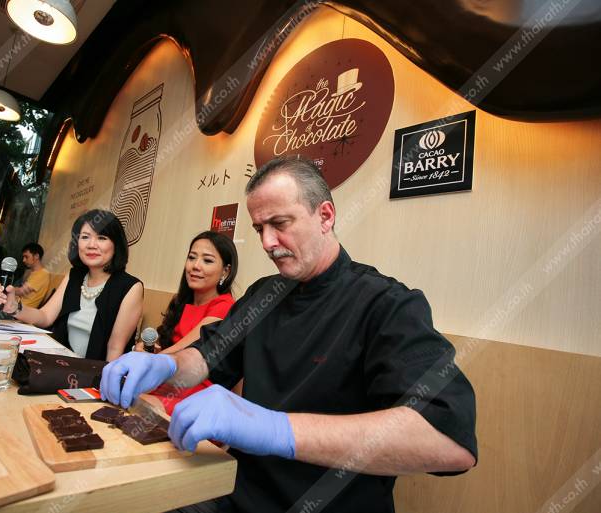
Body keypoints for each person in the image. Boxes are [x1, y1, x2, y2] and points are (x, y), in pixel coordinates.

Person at [100, 156, 477, 512]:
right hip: (236, 494)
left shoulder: (386, 304)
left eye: (280, 224)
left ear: (325, 216)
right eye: (259, 229)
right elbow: (207, 356)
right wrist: (164, 366)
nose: (267, 242)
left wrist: (274, 428)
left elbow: (448, 441)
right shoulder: (263, 294)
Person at [0, 209, 143, 361]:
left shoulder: (131, 287)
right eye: (85, 237)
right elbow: (45, 316)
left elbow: (115, 349)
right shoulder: (74, 276)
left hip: (96, 372)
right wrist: (14, 307)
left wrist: (101, 379)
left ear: (116, 245)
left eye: (102, 238)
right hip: (62, 366)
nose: (91, 245)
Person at [136, 231, 237, 415]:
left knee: (136, 401)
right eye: (192, 257)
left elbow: (184, 350)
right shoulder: (181, 301)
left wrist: (146, 361)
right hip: (169, 379)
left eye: (207, 260)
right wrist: (150, 350)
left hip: (197, 390)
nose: (195, 266)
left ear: (226, 271)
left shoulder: (225, 306)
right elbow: (171, 349)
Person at [5, 242, 51, 308]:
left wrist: (4, 289)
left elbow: (21, 291)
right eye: (23, 257)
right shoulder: (33, 272)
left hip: (21, 309)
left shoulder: (43, 274)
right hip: (16, 304)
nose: (23, 260)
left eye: (26, 257)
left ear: (36, 256)